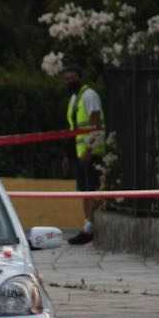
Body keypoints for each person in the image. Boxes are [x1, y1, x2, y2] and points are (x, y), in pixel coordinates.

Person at [62, 63, 105, 245]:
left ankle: (90, 227)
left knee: (93, 190)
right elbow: (73, 129)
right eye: (66, 79)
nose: (69, 82)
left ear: (80, 77)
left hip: (92, 152)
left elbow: (96, 124)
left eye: (72, 78)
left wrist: (89, 149)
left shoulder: (89, 96)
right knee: (84, 191)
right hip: (80, 153)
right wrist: (68, 155)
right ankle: (88, 226)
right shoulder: (74, 99)